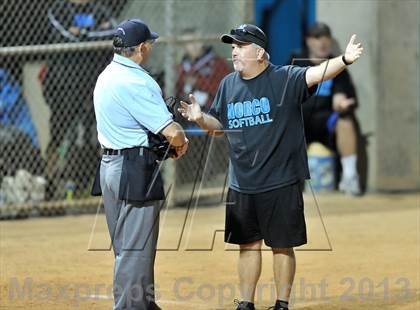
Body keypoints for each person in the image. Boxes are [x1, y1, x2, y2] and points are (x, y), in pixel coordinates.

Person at [178, 24, 363, 310]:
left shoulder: (284, 78)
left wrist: (345, 59)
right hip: (243, 182)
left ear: (260, 52)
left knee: (281, 245)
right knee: (248, 245)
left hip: (281, 179)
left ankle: (281, 304)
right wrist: (201, 119)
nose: (234, 51)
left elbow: (316, 73)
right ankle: (246, 303)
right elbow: (219, 126)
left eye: (241, 46)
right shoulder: (228, 84)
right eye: (233, 46)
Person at [93, 19, 189, 309]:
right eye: (150, 43)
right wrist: (181, 144)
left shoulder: (106, 74)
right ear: (142, 48)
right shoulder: (137, 80)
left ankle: (144, 305)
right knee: (136, 250)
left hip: (110, 166)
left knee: (127, 248)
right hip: (133, 168)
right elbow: (172, 132)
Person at [43, 0, 117, 199]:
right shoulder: (58, 10)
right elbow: (64, 34)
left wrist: (82, 34)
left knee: (95, 134)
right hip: (64, 86)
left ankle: (92, 182)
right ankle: (49, 183)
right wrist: (93, 33)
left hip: (93, 83)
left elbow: (113, 33)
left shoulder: (99, 10)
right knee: (58, 135)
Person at [290, 22, 362, 195]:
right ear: (308, 41)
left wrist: (341, 103)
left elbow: (340, 95)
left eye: (326, 38)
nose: (322, 42)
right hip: (300, 122)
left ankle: (350, 177)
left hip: (326, 121)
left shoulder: (338, 66)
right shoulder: (296, 63)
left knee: (346, 121)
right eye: (317, 38)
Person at [176, 28, 231, 112]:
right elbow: (177, 89)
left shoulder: (217, 63)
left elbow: (225, 89)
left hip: (212, 107)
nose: (194, 45)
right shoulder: (181, 67)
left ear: (202, 42)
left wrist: (197, 82)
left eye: (197, 41)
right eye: (188, 43)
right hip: (186, 109)